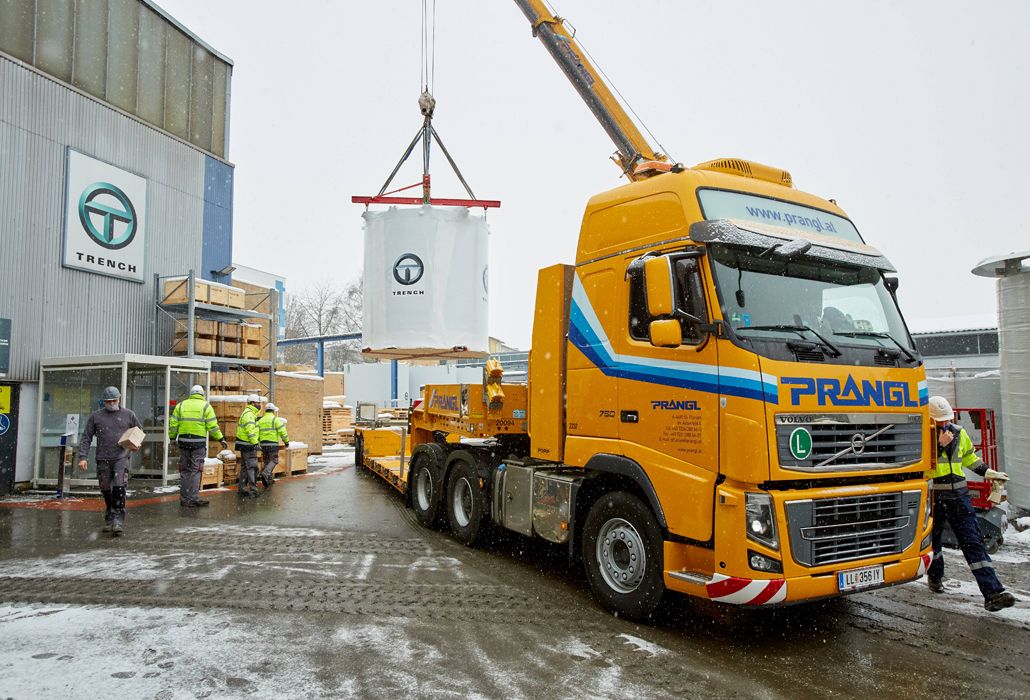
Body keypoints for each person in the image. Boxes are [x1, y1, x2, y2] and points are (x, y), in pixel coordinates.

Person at [926, 396, 1015, 612]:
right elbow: (920, 462)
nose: (945, 425)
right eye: (940, 422)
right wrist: (938, 446)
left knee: (973, 543)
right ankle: (935, 576)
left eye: (947, 420)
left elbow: (969, 458)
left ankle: (993, 593)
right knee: (933, 543)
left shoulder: (958, 432)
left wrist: (989, 472)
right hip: (934, 498)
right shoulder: (921, 436)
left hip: (959, 498)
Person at [76, 386, 143, 536]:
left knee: (119, 488)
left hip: (121, 458)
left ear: (119, 399)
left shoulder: (128, 415)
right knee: (106, 490)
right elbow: (86, 437)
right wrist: (82, 457)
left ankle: (117, 522)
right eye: (108, 401)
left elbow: (139, 431)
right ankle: (110, 518)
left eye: (114, 400)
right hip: (103, 458)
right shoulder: (96, 417)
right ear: (103, 401)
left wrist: (135, 444)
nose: (111, 403)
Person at [168, 385, 226, 507]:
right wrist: (220, 439)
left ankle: (184, 498)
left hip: (183, 443)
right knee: (195, 471)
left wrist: (172, 438)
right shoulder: (206, 406)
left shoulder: (181, 405)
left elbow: (173, 423)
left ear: (191, 393)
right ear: (202, 395)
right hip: (198, 444)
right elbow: (213, 426)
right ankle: (193, 498)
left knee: (184, 470)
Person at [236, 395, 263, 498]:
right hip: (248, 445)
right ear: (252, 403)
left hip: (243, 444)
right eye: (258, 403)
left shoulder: (248, 413)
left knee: (244, 468)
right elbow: (250, 431)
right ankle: (253, 490)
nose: (259, 405)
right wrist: (255, 443)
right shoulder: (249, 415)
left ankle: (242, 489)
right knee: (252, 467)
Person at [257, 402, 289, 489]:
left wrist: (258, 442)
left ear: (266, 411)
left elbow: (256, 433)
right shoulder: (275, 420)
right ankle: (266, 473)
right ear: (273, 411)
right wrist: (286, 441)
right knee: (274, 460)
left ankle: (269, 480)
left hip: (263, 444)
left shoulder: (260, 421)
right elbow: (282, 431)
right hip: (272, 444)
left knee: (267, 461)